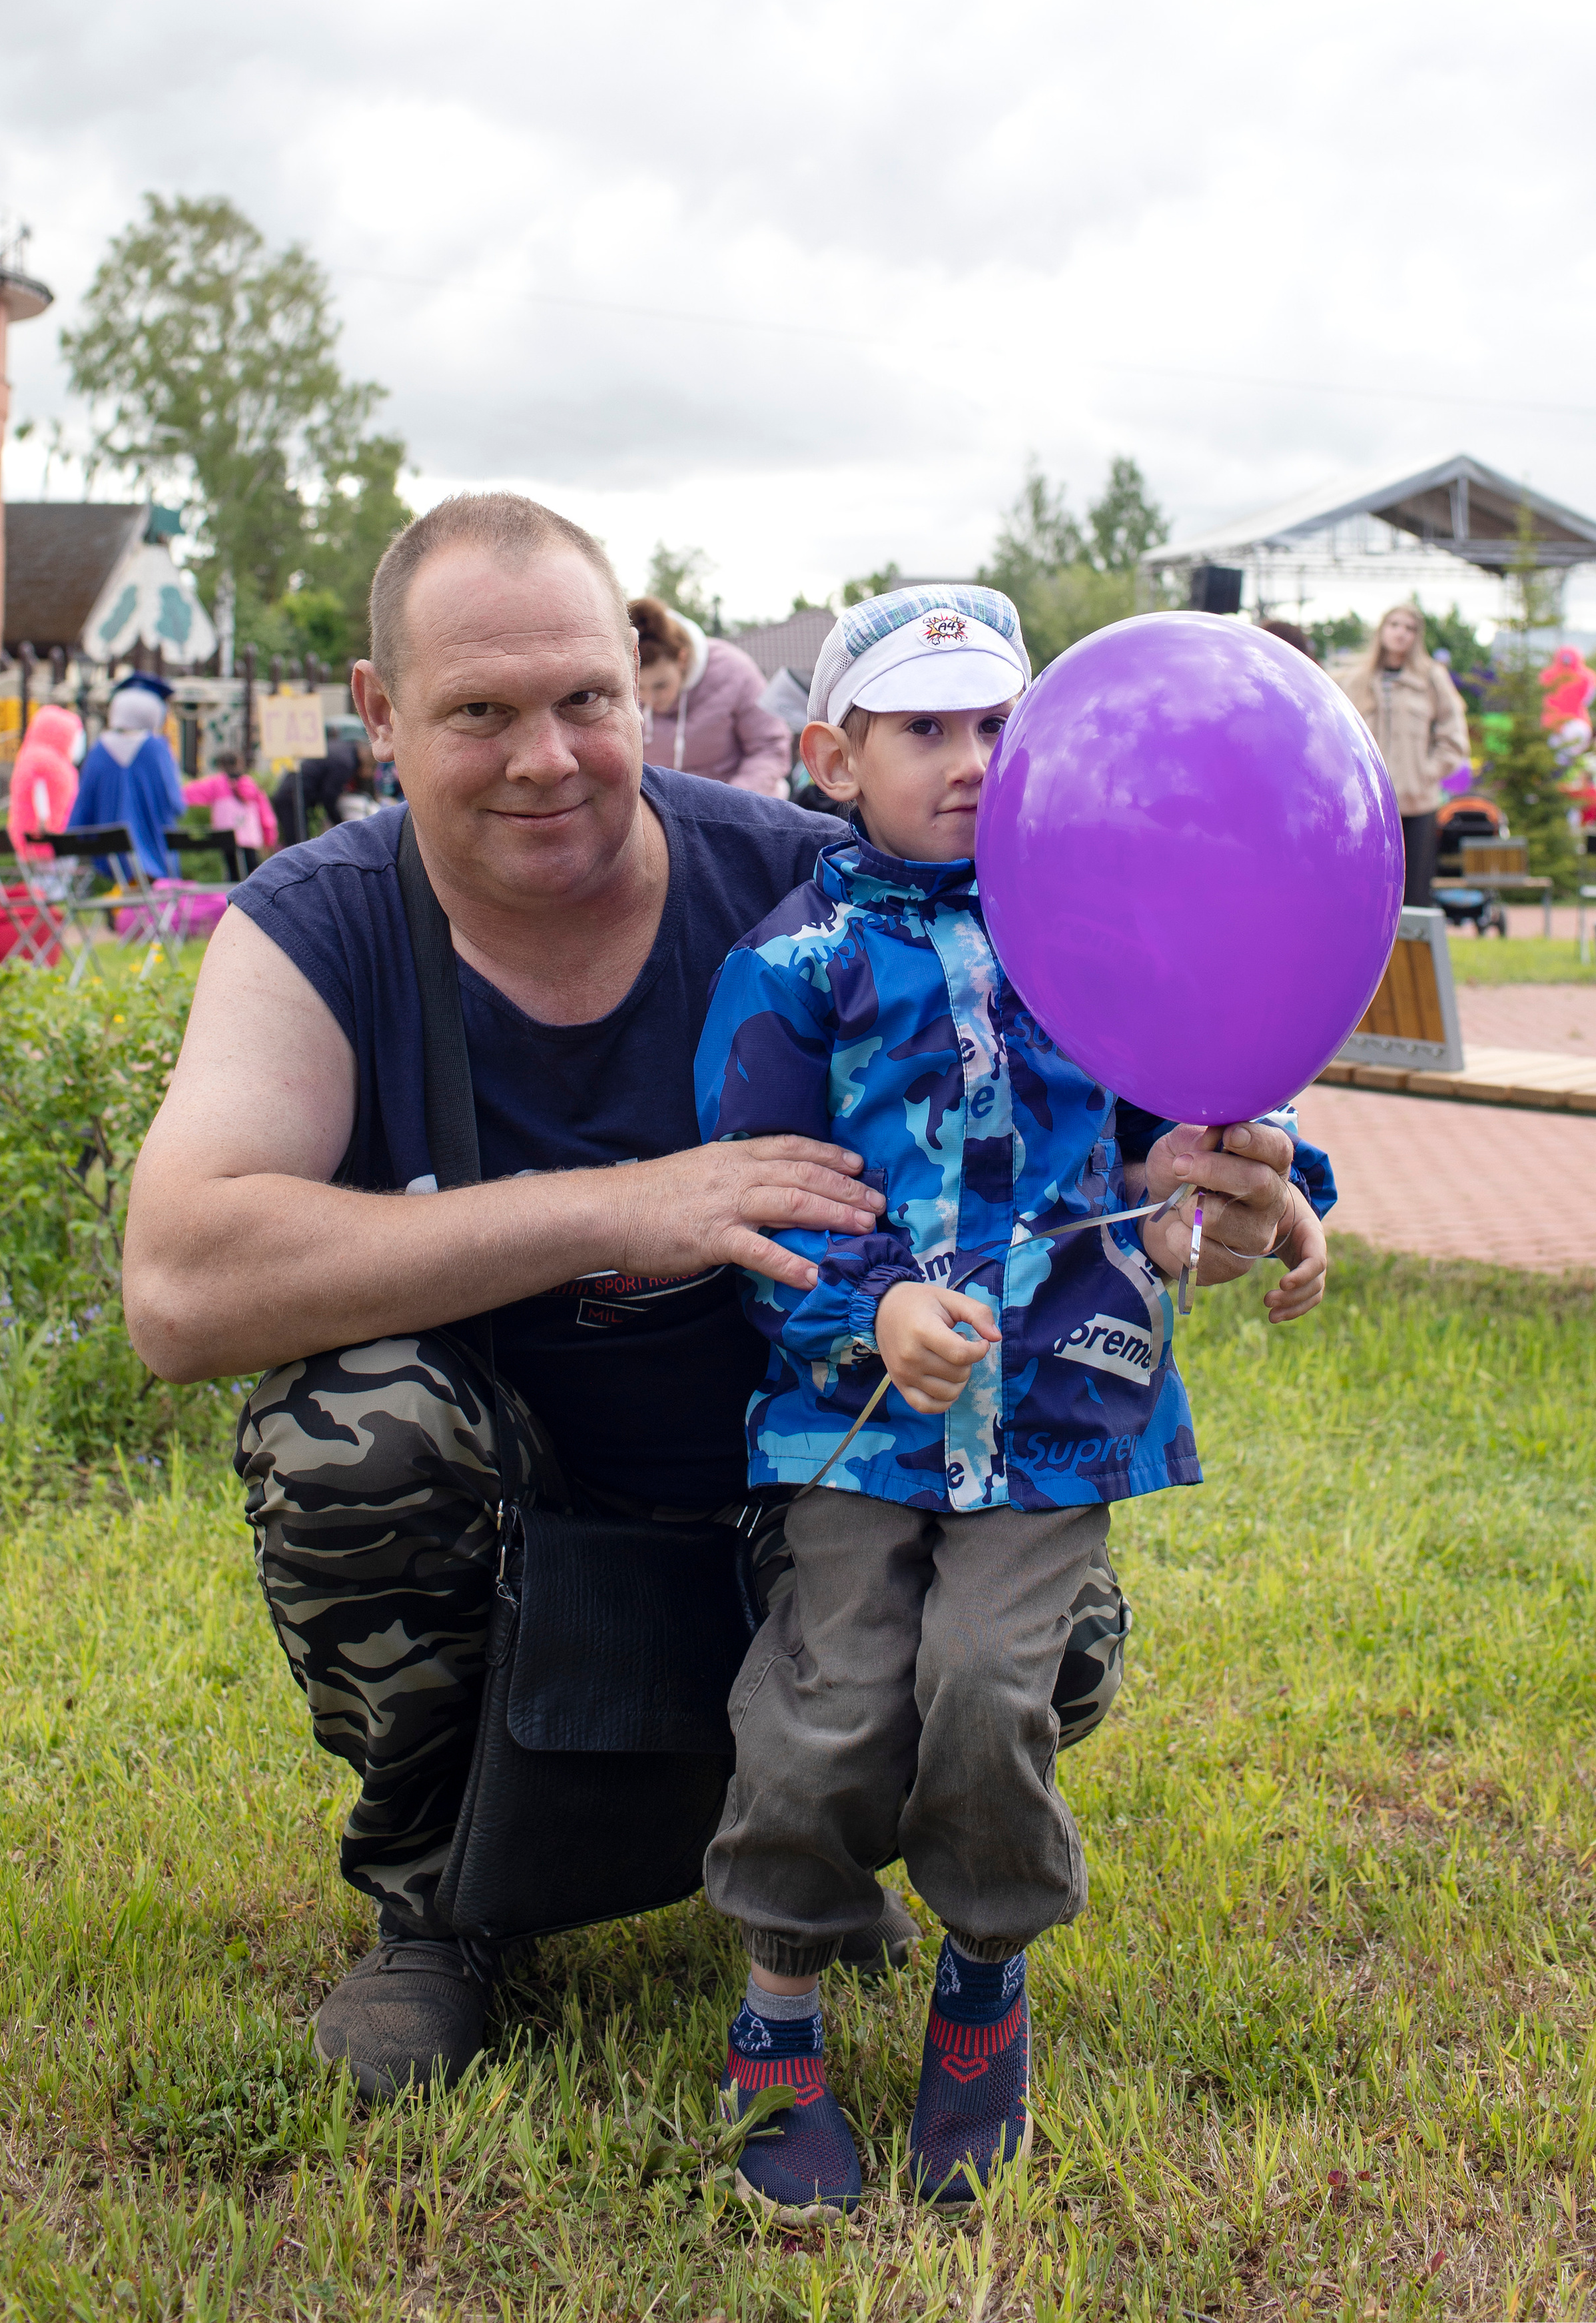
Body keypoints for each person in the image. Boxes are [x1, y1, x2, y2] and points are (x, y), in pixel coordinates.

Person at [121, 496, 1321, 2107]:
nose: (544, 756)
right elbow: (181, 1288)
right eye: (478, 711)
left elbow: (1070, 1110)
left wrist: (1210, 1206)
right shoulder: (319, 925)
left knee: (1056, 1637)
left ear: (638, 678)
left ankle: (834, 1847)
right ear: (377, 709)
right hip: (514, 1517)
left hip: (806, 1483)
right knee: (352, 1428)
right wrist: (622, 1204)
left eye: (582, 700)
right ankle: (437, 1908)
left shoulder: (815, 885)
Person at [693, 586, 1334, 2211]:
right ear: (834, 756)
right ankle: (779, 2005)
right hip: (854, 1423)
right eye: (924, 729)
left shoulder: (1095, 927)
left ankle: (980, 1977)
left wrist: (1253, 1174)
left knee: (990, 1686)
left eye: (995, 725)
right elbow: (753, 1198)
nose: (971, 762)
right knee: (829, 1698)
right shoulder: (794, 965)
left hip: (1056, 1410)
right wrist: (873, 1305)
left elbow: (1179, 1110)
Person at [1338, 606, 1469, 910]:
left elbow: (1454, 734)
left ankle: (1414, 959)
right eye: (1395, 625)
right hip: (1370, 807)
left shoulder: (1432, 678)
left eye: (1409, 628)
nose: (1401, 633)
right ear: (1382, 629)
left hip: (1417, 803)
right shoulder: (1355, 679)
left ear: (1416, 636)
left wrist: (1428, 771)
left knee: (1416, 897)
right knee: (1369, 894)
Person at [632, 595, 792, 799]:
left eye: (661, 685)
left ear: (682, 659)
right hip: (658, 810)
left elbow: (770, 747)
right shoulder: (620, 684)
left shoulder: (735, 670)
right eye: (639, 687)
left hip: (731, 806)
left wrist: (732, 802)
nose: (649, 698)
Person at [67, 674, 186, 880]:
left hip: (109, 861)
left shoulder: (99, 750)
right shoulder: (156, 748)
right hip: (154, 857)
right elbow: (176, 803)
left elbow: (82, 809)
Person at [9, 705, 84, 861]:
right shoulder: (47, 762)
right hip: (48, 840)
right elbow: (39, 790)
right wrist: (44, 821)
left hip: (27, 843)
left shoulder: (29, 756)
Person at [270, 737, 372, 849]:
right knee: (298, 845)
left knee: (297, 842)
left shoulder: (343, 749)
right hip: (293, 797)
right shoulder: (346, 762)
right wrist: (340, 824)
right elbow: (329, 796)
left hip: (291, 793)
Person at [183, 751, 277, 865]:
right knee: (252, 869)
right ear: (241, 764)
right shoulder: (251, 784)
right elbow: (266, 815)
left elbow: (188, 793)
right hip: (249, 837)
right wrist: (269, 838)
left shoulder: (216, 784)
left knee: (232, 870)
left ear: (221, 766)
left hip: (226, 837)